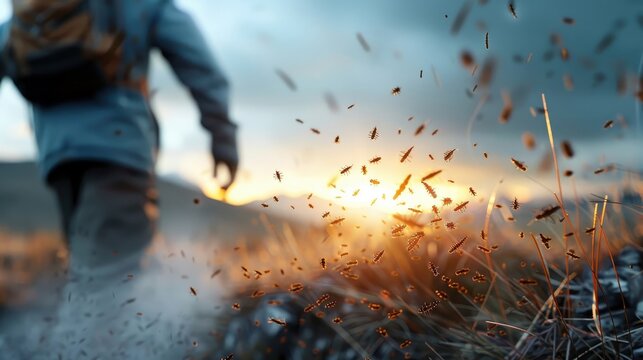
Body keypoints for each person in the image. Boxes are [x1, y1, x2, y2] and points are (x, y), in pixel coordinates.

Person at [0, 0, 237, 358]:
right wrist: (223, 135)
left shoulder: (30, 13)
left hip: (59, 164)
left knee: (95, 277)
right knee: (101, 293)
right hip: (120, 155)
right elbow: (199, 63)